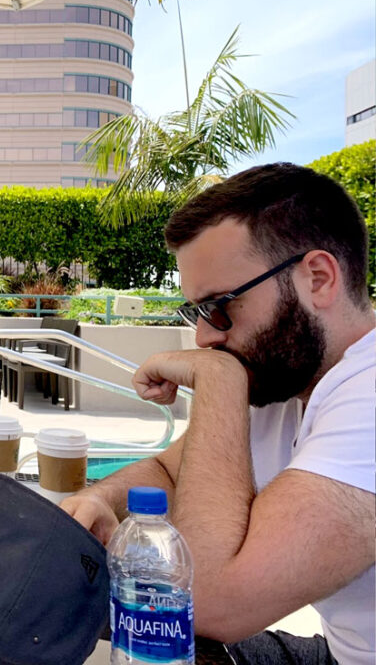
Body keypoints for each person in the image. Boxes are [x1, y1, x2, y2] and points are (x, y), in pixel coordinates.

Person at [62, 163, 375, 665]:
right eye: (196, 314)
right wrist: (99, 499)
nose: (205, 338)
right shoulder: (289, 377)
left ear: (318, 278)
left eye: (222, 306)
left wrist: (220, 381)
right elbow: (169, 470)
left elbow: (208, 603)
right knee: (81, 612)